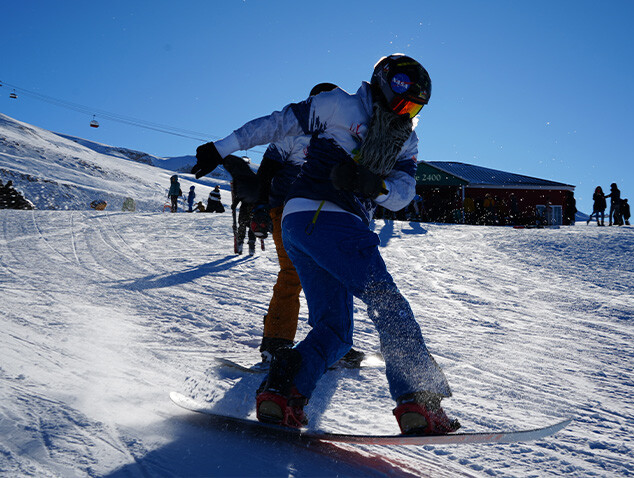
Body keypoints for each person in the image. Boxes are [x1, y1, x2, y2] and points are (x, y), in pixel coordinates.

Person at [191, 54, 459, 435]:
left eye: (413, 106)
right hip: (331, 218)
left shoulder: (406, 138)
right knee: (388, 303)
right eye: (400, 97)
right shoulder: (340, 104)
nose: (403, 110)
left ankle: (283, 392)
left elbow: (404, 191)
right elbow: (280, 123)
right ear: (381, 82)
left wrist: (376, 187)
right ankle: (419, 399)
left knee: (334, 329)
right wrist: (222, 147)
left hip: (300, 227)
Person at [250, 82, 372, 364]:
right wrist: (259, 206)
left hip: (328, 212)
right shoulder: (295, 132)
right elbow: (266, 170)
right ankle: (276, 342)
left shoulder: (345, 136)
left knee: (332, 274)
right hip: (286, 210)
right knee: (292, 272)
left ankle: (331, 342)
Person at [231, 181, 257, 255]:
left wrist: (234, 205)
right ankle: (247, 245)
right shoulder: (256, 190)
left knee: (244, 227)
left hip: (247, 212)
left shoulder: (245, 190)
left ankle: (242, 244)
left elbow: (238, 198)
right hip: (252, 212)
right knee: (251, 228)